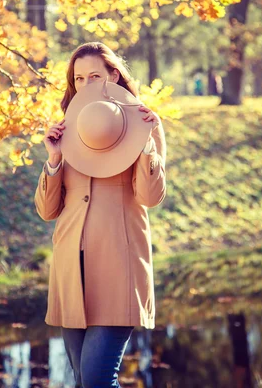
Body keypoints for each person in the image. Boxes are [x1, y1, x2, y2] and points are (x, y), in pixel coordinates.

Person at [34, 42, 167, 388]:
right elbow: (48, 211)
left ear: (114, 75)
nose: (87, 82)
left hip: (118, 268)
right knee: (81, 380)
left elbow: (150, 198)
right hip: (70, 270)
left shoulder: (144, 123)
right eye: (79, 78)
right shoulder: (67, 128)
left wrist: (148, 146)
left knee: (96, 380)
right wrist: (53, 159)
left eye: (95, 75)